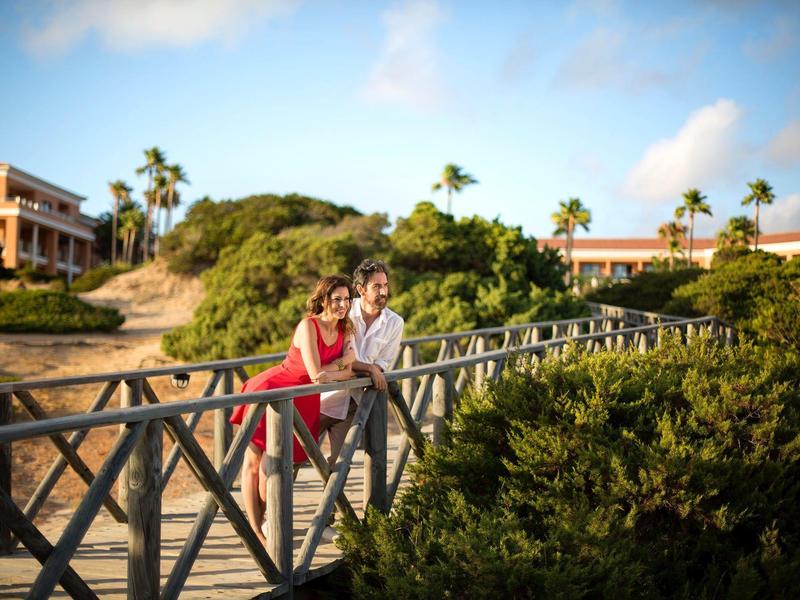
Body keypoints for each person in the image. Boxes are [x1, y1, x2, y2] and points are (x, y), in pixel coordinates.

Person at [230, 275, 356, 545]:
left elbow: (343, 370)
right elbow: (315, 374)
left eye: (347, 299)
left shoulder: (345, 329)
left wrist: (334, 369)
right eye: (337, 299)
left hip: (303, 402)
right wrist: (340, 366)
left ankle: (265, 523)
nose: (342, 305)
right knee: (256, 464)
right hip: (271, 391)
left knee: (277, 466)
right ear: (324, 300)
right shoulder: (308, 326)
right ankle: (256, 530)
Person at [320, 259, 404, 469]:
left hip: (356, 402)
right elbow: (330, 356)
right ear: (360, 289)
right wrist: (368, 367)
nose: (383, 291)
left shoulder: (395, 323)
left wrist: (370, 368)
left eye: (385, 285)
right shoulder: (343, 312)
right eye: (376, 286)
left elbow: (383, 363)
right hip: (322, 395)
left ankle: (331, 503)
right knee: (296, 457)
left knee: (340, 466)